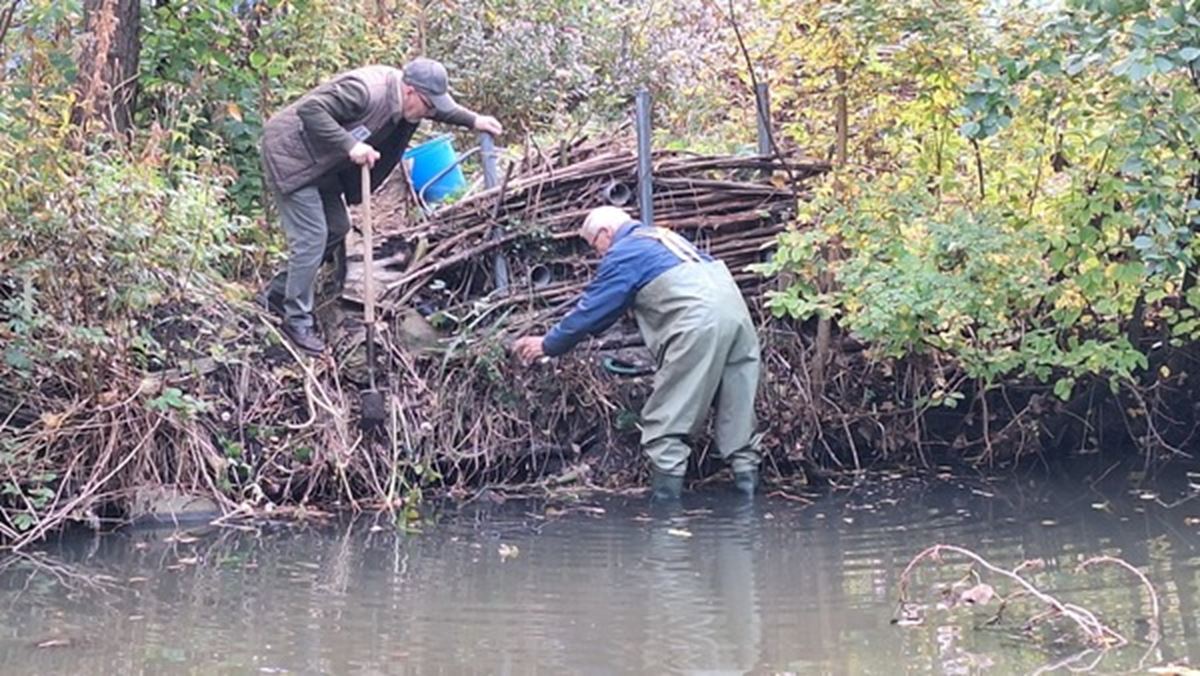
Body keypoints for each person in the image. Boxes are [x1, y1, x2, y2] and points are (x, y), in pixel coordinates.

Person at [512, 206, 763, 498]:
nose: (599, 255)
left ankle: (665, 517)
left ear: (605, 234)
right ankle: (748, 504)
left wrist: (548, 344)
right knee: (738, 411)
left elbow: (593, 310)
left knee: (669, 420)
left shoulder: (625, 251)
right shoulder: (663, 238)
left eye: (595, 247)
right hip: (738, 319)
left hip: (698, 324)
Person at [258, 58, 503, 354]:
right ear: (410, 91)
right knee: (312, 236)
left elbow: (442, 108)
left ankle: (278, 293)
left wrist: (474, 120)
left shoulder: (411, 101)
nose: (430, 113)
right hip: (292, 157)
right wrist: (351, 146)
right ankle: (296, 319)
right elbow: (311, 110)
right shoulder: (364, 91)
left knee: (338, 228)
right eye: (427, 105)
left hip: (322, 164)